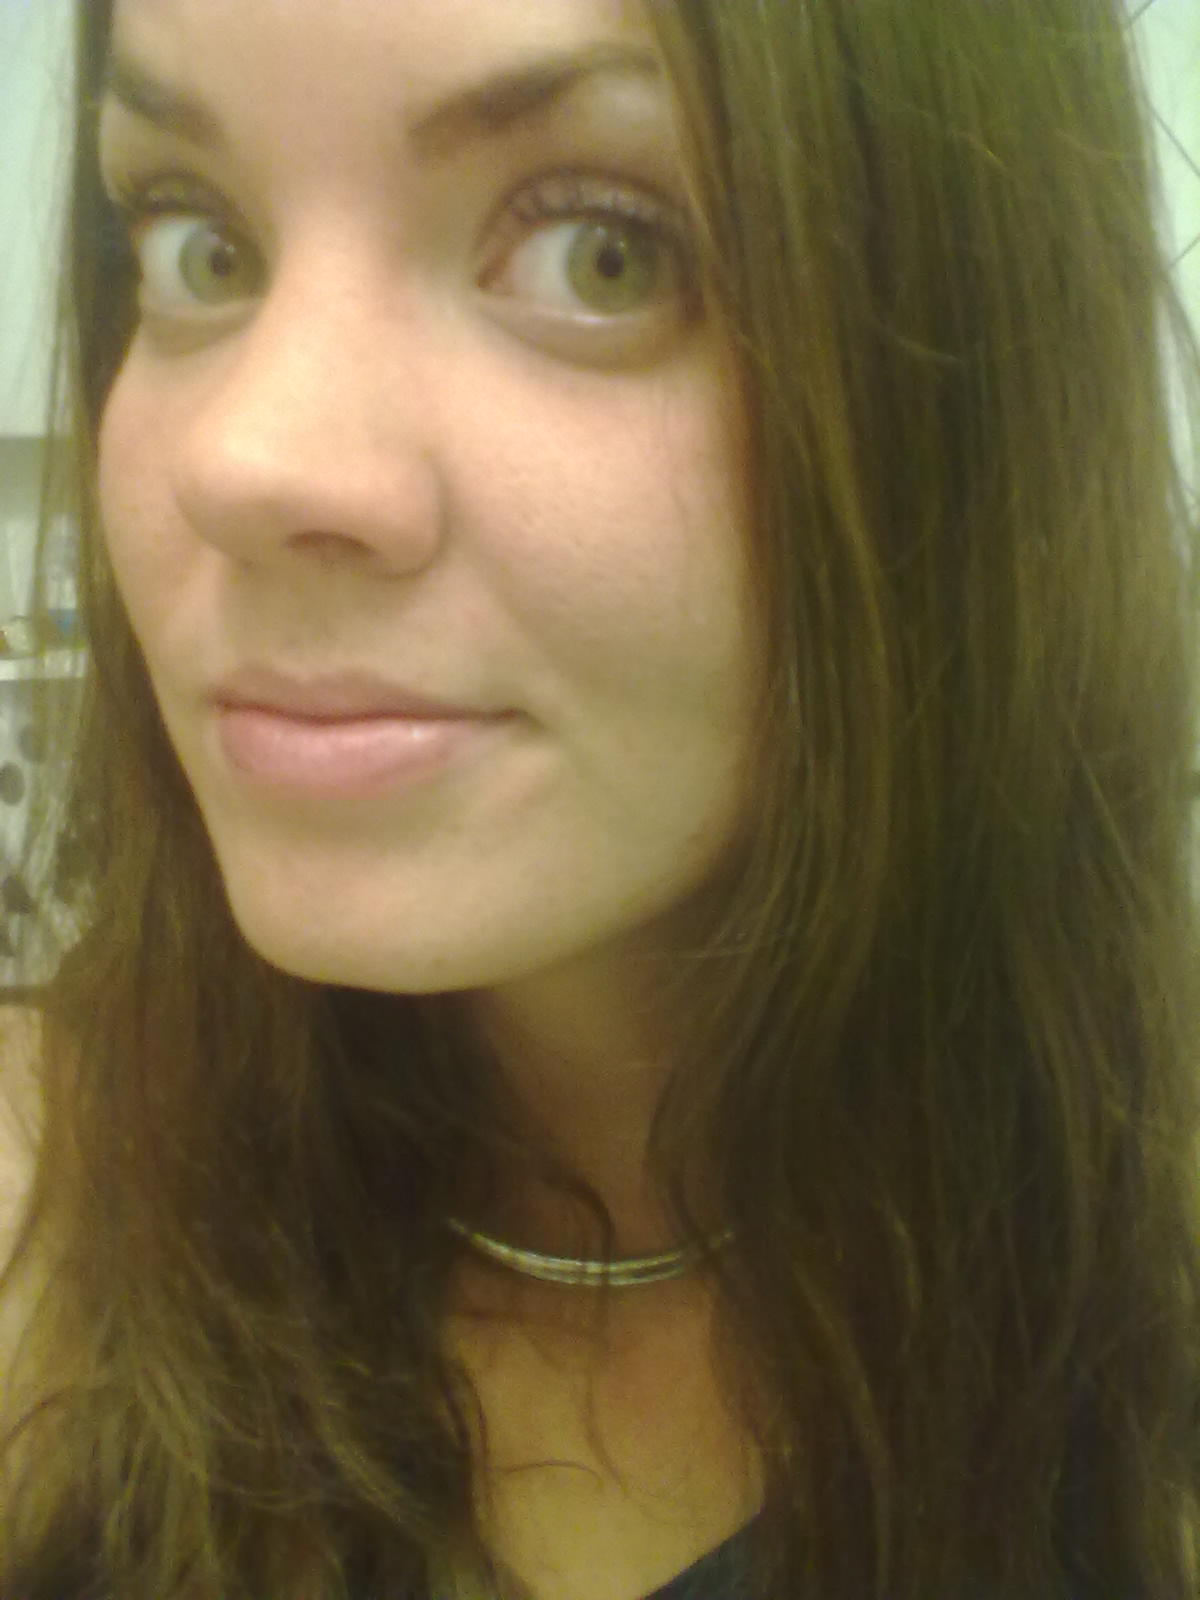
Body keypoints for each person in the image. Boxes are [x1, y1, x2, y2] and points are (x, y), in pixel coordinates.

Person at [2, 0, 1200, 1595]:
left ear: (983, 381)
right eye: (196, 245)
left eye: (600, 252)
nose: (242, 460)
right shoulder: (46, 1219)